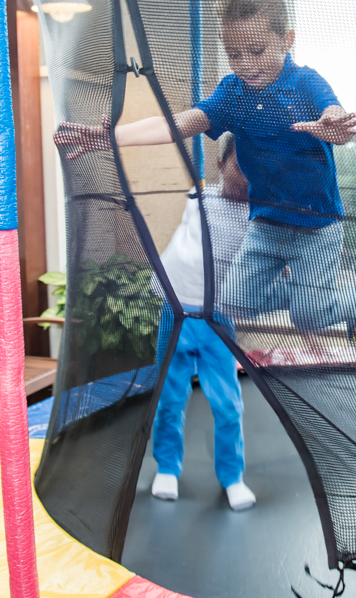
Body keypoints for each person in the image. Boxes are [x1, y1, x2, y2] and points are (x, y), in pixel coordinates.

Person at [54, 0, 356, 346]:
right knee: (233, 302)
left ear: (287, 40)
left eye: (256, 50)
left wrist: (335, 127)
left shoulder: (304, 83)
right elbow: (179, 123)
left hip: (317, 227)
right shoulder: (231, 94)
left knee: (308, 318)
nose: (245, 64)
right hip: (266, 222)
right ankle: (305, 296)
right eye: (234, 53)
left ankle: (351, 300)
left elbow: (333, 114)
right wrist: (113, 136)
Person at [149, 134, 258, 511]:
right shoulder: (200, 196)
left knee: (227, 404)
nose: (245, 175)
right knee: (169, 396)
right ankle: (166, 467)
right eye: (238, 164)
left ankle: (232, 477)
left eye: (254, 168)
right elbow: (194, 143)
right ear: (221, 164)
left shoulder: (258, 214)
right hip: (174, 310)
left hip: (217, 318)